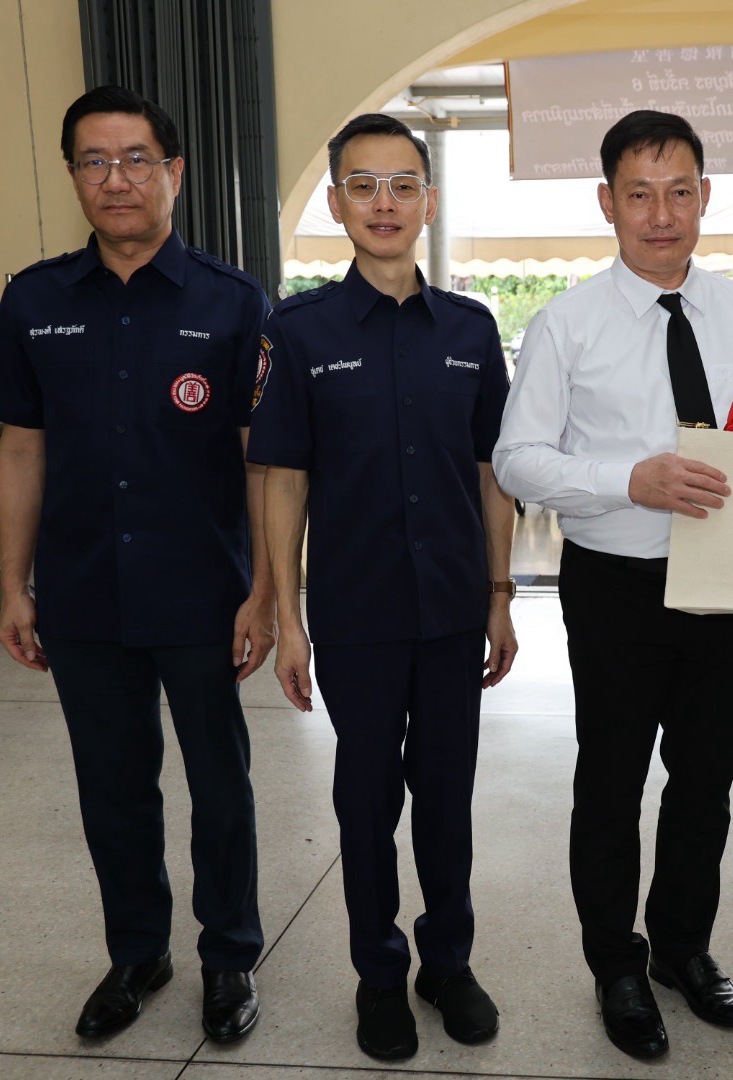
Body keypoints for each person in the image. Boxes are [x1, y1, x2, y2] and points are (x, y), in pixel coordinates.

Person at [493, 109, 733, 1060]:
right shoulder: (567, 323)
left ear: (705, 198)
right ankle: (615, 965)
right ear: (606, 203)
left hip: (722, 589)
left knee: (706, 785)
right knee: (612, 784)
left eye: (679, 193)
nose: (661, 215)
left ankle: (683, 951)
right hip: (614, 587)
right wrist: (628, 478)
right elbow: (517, 458)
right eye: (639, 195)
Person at [0, 86, 273, 1043]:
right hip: (83, 592)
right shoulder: (35, 299)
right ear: (73, 177)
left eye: (137, 159)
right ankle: (138, 952)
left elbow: (260, 461)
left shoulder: (232, 302)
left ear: (173, 173)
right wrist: (14, 584)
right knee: (112, 786)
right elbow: (22, 449)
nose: (117, 179)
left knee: (219, 787)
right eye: (94, 162)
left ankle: (229, 956)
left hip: (203, 592)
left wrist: (268, 590)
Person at [246, 113, 515, 1063]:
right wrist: (286, 620)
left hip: (451, 610)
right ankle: (378, 974)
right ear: (337, 204)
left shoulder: (472, 331)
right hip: (355, 614)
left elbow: (492, 474)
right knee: (366, 804)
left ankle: (449, 964)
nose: (384, 203)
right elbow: (282, 480)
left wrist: (500, 597)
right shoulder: (299, 334)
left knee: (446, 797)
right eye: (363, 186)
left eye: (403, 185)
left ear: (428, 202)